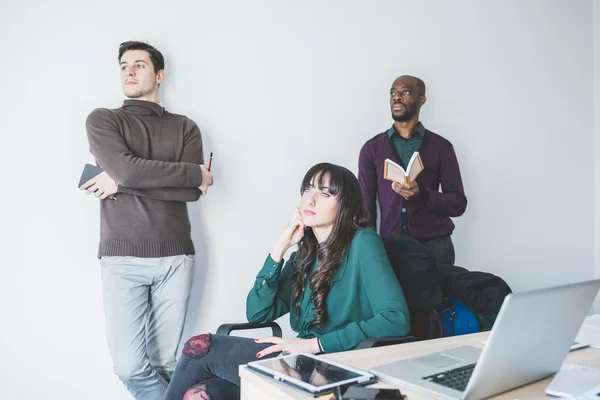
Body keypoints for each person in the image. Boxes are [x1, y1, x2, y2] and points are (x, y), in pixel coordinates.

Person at [164, 163, 410, 400]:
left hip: (335, 365)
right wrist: (279, 249)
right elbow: (258, 314)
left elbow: (395, 319)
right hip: (301, 361)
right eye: (307, 190)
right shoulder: (302, 257)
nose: (310, 200)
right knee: (206, 392)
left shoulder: (363, 243)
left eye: (324, 194)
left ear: (345, 205)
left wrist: (314, 345)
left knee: (201, 348)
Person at [81, 41, 213, 400]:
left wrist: (121, 182)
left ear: (159, 75)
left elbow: (188, 194)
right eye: (124, 65)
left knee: (166, 362)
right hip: (122, 258)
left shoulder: (185, 128)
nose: (129, 71)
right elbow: (128, 168)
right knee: (128, 366)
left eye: (139, 65)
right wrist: (190, 173)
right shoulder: (104, 119)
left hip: (175, 257)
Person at [358, 75, 467, 265]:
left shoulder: (442, 147)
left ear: (421, 99)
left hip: (436, 248)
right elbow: (364, 207)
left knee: (439, 295)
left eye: (405, 92)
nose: (396, 97)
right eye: (393, 93)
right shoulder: (372, 149)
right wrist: (368, 249)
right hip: (390, 249)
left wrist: (422, 195)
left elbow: (458, 204)